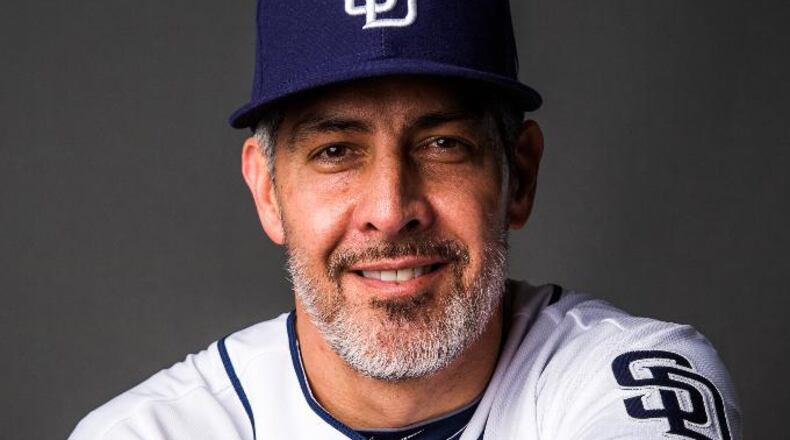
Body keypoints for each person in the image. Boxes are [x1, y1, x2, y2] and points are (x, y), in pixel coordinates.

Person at [69, 0, 741, 439]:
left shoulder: (629, 378)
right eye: (336, 151)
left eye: (442, 144)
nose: (391, 212)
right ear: (268, 191)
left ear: (520, 175)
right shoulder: (151, 431)